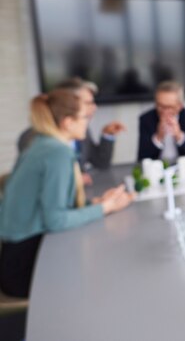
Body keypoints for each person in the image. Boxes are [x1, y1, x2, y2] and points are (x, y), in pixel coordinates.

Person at [0, 89, 134, 298]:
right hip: (26, 267)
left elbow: (54, 205)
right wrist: (105, 208)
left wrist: (96, 202)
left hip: (17, 254)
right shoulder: (57, 152)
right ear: (67, 122)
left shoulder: (43, 143)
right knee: (109, 271)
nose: (87, 122)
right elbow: (56, 220)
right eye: (84, 117)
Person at [17, 78, 126, 179]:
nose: (94, 107)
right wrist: (74, 180)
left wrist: (107, 134)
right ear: (68, 103)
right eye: (88, 103)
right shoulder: (32, 138)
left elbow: (101, 163)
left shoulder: (82, 131)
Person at [137, 80, 185, 161]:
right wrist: (158, 137)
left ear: (180, 106)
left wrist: (179, 136)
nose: (164, 111)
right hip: (155, 169)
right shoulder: (146, 119)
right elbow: (142, 157)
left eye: (169, 107)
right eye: (160, 106)